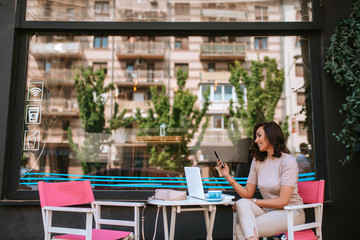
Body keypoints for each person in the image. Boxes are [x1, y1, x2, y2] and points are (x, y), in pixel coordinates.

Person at [217, 121, 305, 240]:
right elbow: (248, 193)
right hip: (269, 211)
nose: (256, 140)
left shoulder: (288, 161)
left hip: (291, 212)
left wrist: (254, 202)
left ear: (271, 135)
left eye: (259, 135)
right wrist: (227, 176)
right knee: (242, 202)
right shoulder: (257, 161)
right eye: (256, 137)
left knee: (240, 229)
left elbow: (283, 201)